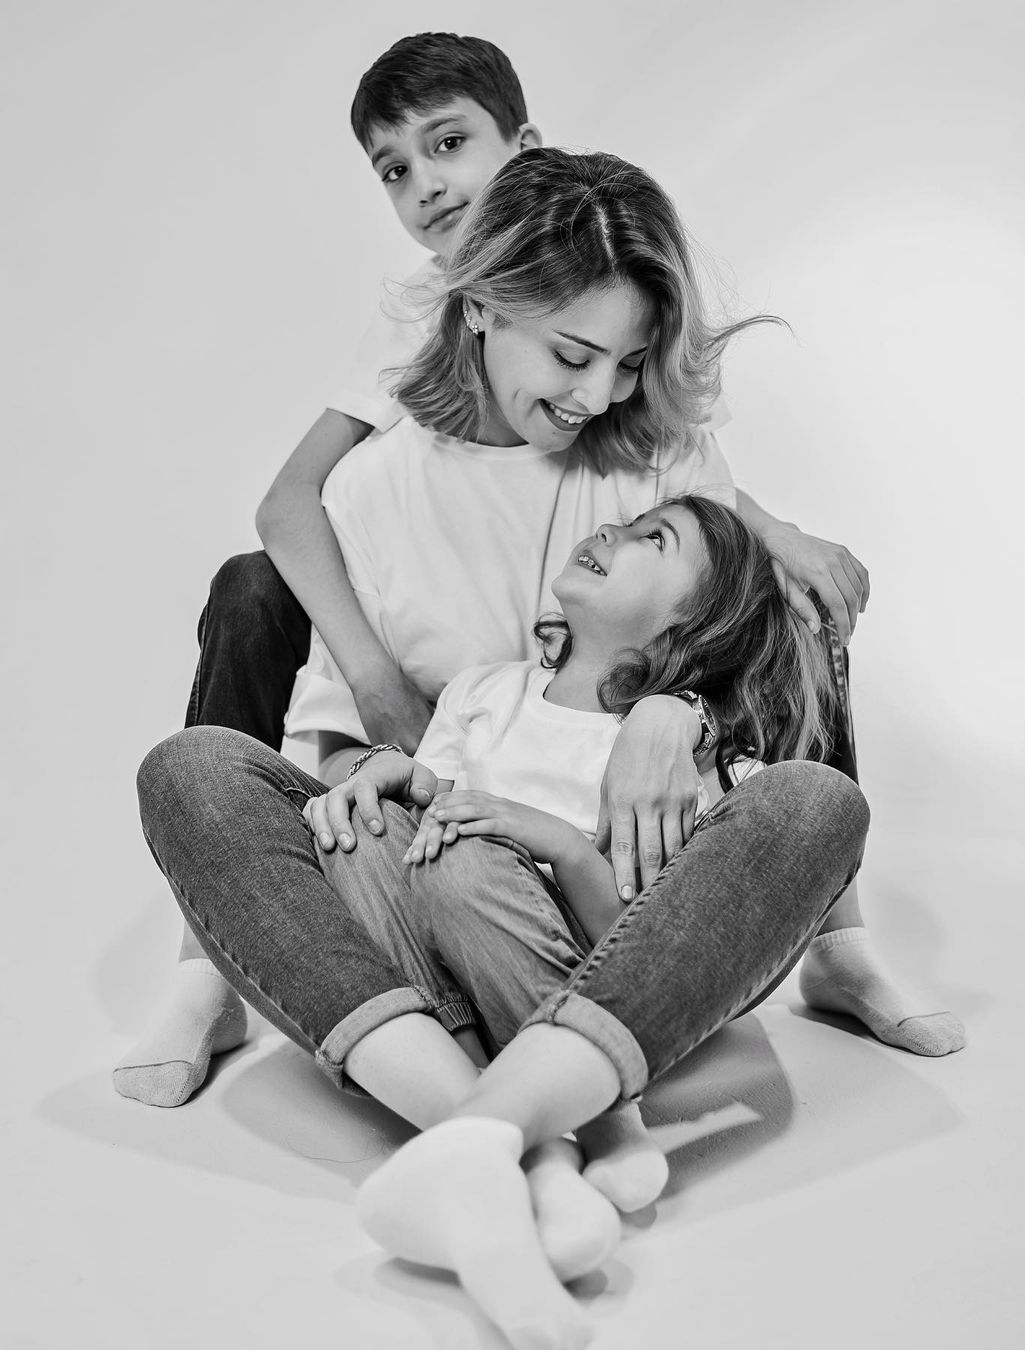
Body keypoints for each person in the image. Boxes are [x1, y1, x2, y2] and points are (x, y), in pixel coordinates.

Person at [115, 34, 958, 1110]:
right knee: (224, 682)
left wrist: (682, 709)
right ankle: (236, 980)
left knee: (804, 690)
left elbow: (734, 619)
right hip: (445, 872)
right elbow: (294, 522)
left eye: (626, 362)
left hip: (623, 897)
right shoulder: (383, 461)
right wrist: (378, 718)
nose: (597, 394)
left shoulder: (647, 459)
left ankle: (832, 945)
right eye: (570, 356)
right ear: (476, 301)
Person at [137, 497, 869, 1343]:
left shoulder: (680, 757)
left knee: (802, 802)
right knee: (216, 775)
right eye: (625, 523)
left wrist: (555, 842)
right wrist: (382, 777)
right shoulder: (485, 691)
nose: (612, 532)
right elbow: (418, 825)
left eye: (652, 540)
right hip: (429, 976)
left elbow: (644, 937)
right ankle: (544, 1149)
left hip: (569, 976)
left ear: (691, 625)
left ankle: (514, 1126)